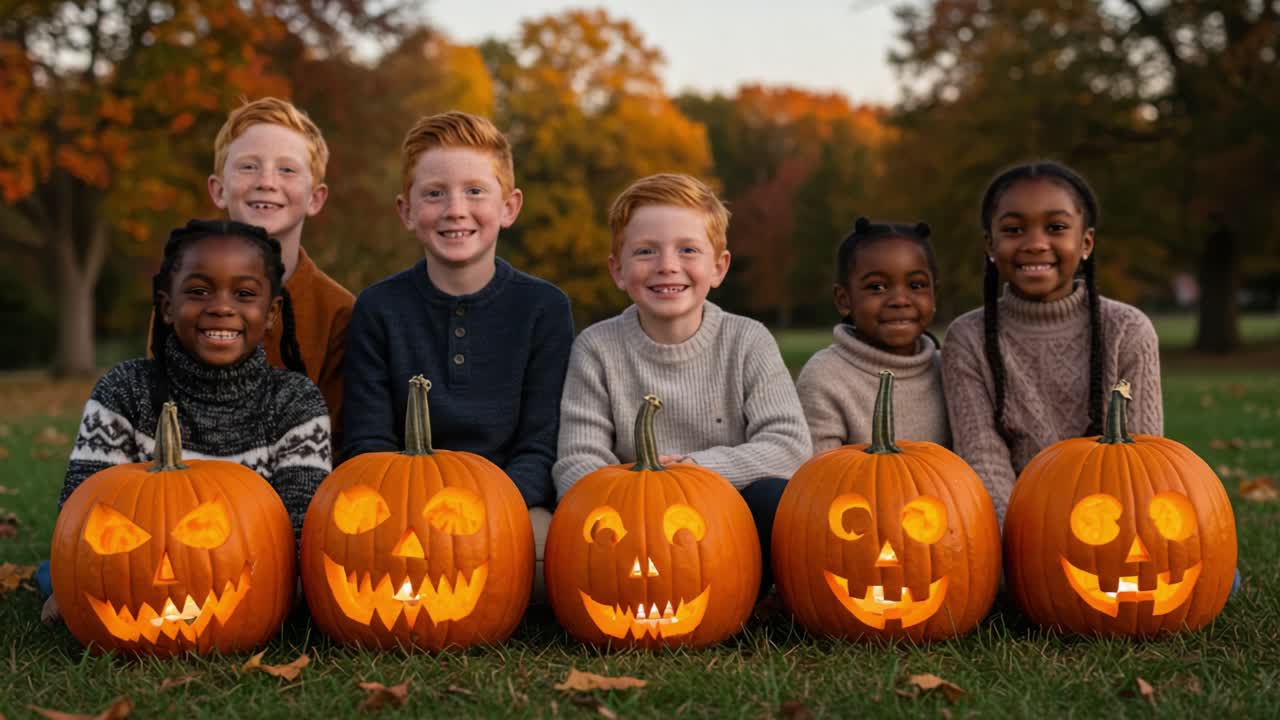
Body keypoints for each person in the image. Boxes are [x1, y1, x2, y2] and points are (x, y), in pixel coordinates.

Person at [43, 219, 332, 622]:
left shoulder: (293, 402)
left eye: (244, 293)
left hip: (250, 569)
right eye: (198, 292)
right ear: (166, 306)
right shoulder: (125, 391)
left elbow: (300, 529)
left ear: (271, 313)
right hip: (137, 568)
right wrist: (70, 581)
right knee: (54, 572)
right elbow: (81, 510)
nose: (221, 307)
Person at [342, 111, 574, 591]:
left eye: (474, 191)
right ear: (406, 211)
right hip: (399, 506)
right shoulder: (378, 308)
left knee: (554, 554)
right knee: (357, 555)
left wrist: (484, 507)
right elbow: (366, 441)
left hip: (507, 505)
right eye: (434, 193)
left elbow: (540, 444)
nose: (454, 209)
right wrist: (413, 508)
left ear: (509, 206)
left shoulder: (543, 308)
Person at [553, 173, 811, 593]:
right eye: (645, 251)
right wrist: (639, 493)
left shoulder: (747, 340)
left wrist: (695, 472)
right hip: (634, 526)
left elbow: (789, 447)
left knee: (775, 499)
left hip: (728, 519)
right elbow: (576, 462)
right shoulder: (597, 348)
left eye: (687, 249)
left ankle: (751, 595)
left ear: (718, 267)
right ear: (617, 270)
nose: (667, 265)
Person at [942, 161, 1162, 525]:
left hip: (1112, 522)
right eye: (1013, 230)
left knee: (1214, 576)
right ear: (990, 245)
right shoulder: (968, 339)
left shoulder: (1128, 330)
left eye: (1056, 227)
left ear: (1086, 242)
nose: (1034, 244)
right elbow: (984, 459)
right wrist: (1018, 545)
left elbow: (1140, 460)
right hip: (1016, 529)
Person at [207, 97, 354, 445]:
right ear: (219, 190)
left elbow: (336, 442)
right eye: (248, 167)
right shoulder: (182, 299)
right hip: (197, 487)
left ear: (315, 198)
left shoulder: (339, 313)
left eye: (287, 170)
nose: (267, 182)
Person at [796, 217, 949, 454]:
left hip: (945, 491)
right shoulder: (824, 377)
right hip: (854, 491)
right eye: (877, 287)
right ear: (844, 300)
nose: (900, 300)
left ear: (934, 294)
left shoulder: (948, 370)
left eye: (916, 285)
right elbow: (820, 477)